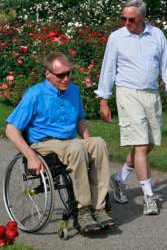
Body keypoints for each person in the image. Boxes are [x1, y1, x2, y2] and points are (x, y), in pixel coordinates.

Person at [5, 52, 114, 233]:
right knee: (76, 146)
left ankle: (99, 207)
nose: (65, 79)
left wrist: (89, 143)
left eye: (68, 73)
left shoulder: (74, 91)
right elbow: (11, 130)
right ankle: (83, 209)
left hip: (69, 142)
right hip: (44, 144)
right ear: (48, 74)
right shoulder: (35, 94)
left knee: (99, 143)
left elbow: (79, 121)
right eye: (60, 75)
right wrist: (30, 156)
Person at [95, 0, 167, 215]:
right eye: (123, 18)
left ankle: (120, 178)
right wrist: (104, 100)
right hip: (127, 94)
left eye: (130, 19)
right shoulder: (116, 38)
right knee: (141, 145)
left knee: (149, 143)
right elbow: (107, 70)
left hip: (151, 95)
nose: (126, 23)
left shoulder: (157, 35)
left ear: (143, 18)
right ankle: (149, 197)